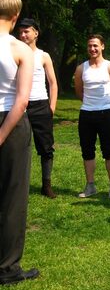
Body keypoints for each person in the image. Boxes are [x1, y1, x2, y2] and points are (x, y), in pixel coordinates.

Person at [0, 0, 38, 285]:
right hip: (10, 125)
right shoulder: (20, 50)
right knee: (12, 196)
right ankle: (8, 267)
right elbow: (22, 100)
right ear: (14, 18)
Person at [74, 34, 110, 199]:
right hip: (86, 115)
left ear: (102, 46)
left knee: (108, 150)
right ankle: (90, 186)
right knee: (87, 151)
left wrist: (106, 106)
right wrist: (90, 105)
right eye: (90, 46)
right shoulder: (81, 68)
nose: (92, 49)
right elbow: (79, 91)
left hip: (106, 114)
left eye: (95, 45)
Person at [17, 18, 58, 198]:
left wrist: (51, 108)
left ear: (36, 33)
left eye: (27, 31)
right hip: (20, 105)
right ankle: (17, 185)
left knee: (46, 147)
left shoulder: (43, 56)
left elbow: (53, 83)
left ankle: (46, 185)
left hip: (41, 104)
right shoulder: (15, 52)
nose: (23, 35)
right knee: (18, 146)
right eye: (21, 32)